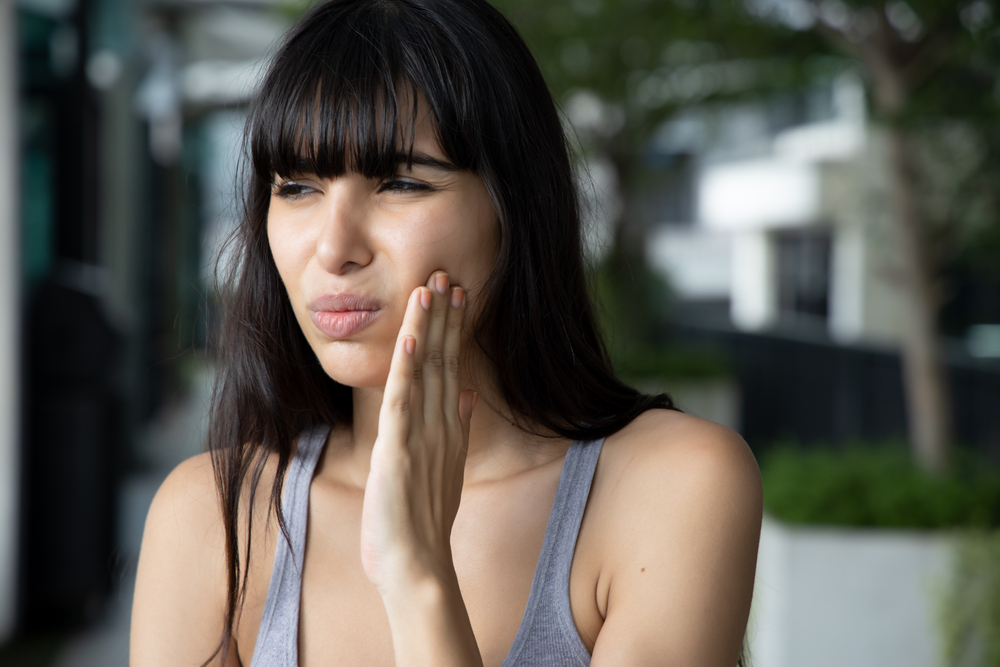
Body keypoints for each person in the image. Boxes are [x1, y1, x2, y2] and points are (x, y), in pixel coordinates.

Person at [129, 0, 763, 665]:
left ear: (514, 206)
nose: (334, 247)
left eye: (400, 182)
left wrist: (417, 575)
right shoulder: (211, 517)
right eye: (297, 187)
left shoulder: (672, 487)